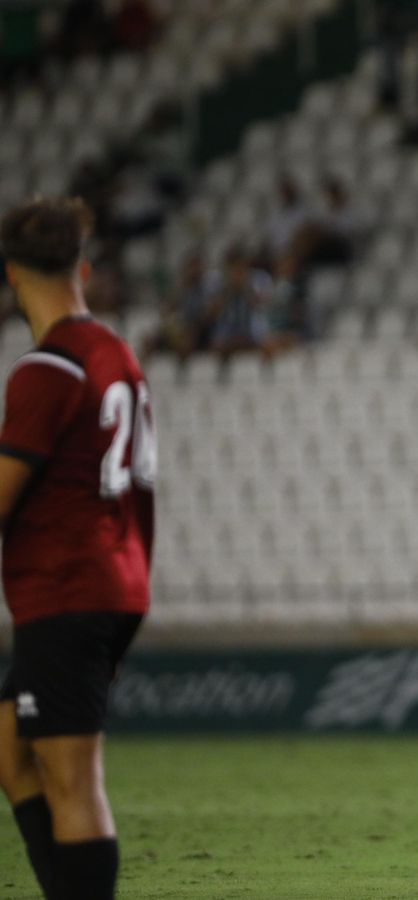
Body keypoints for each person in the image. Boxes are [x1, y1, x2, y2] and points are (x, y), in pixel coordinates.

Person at [0, 198, 156, 900]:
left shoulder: (47, 370)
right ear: (82, 269)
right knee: (10, 744)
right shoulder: (117, 355)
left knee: (72, 780)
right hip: (113, 577)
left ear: (11, 276)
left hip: (67, 585)